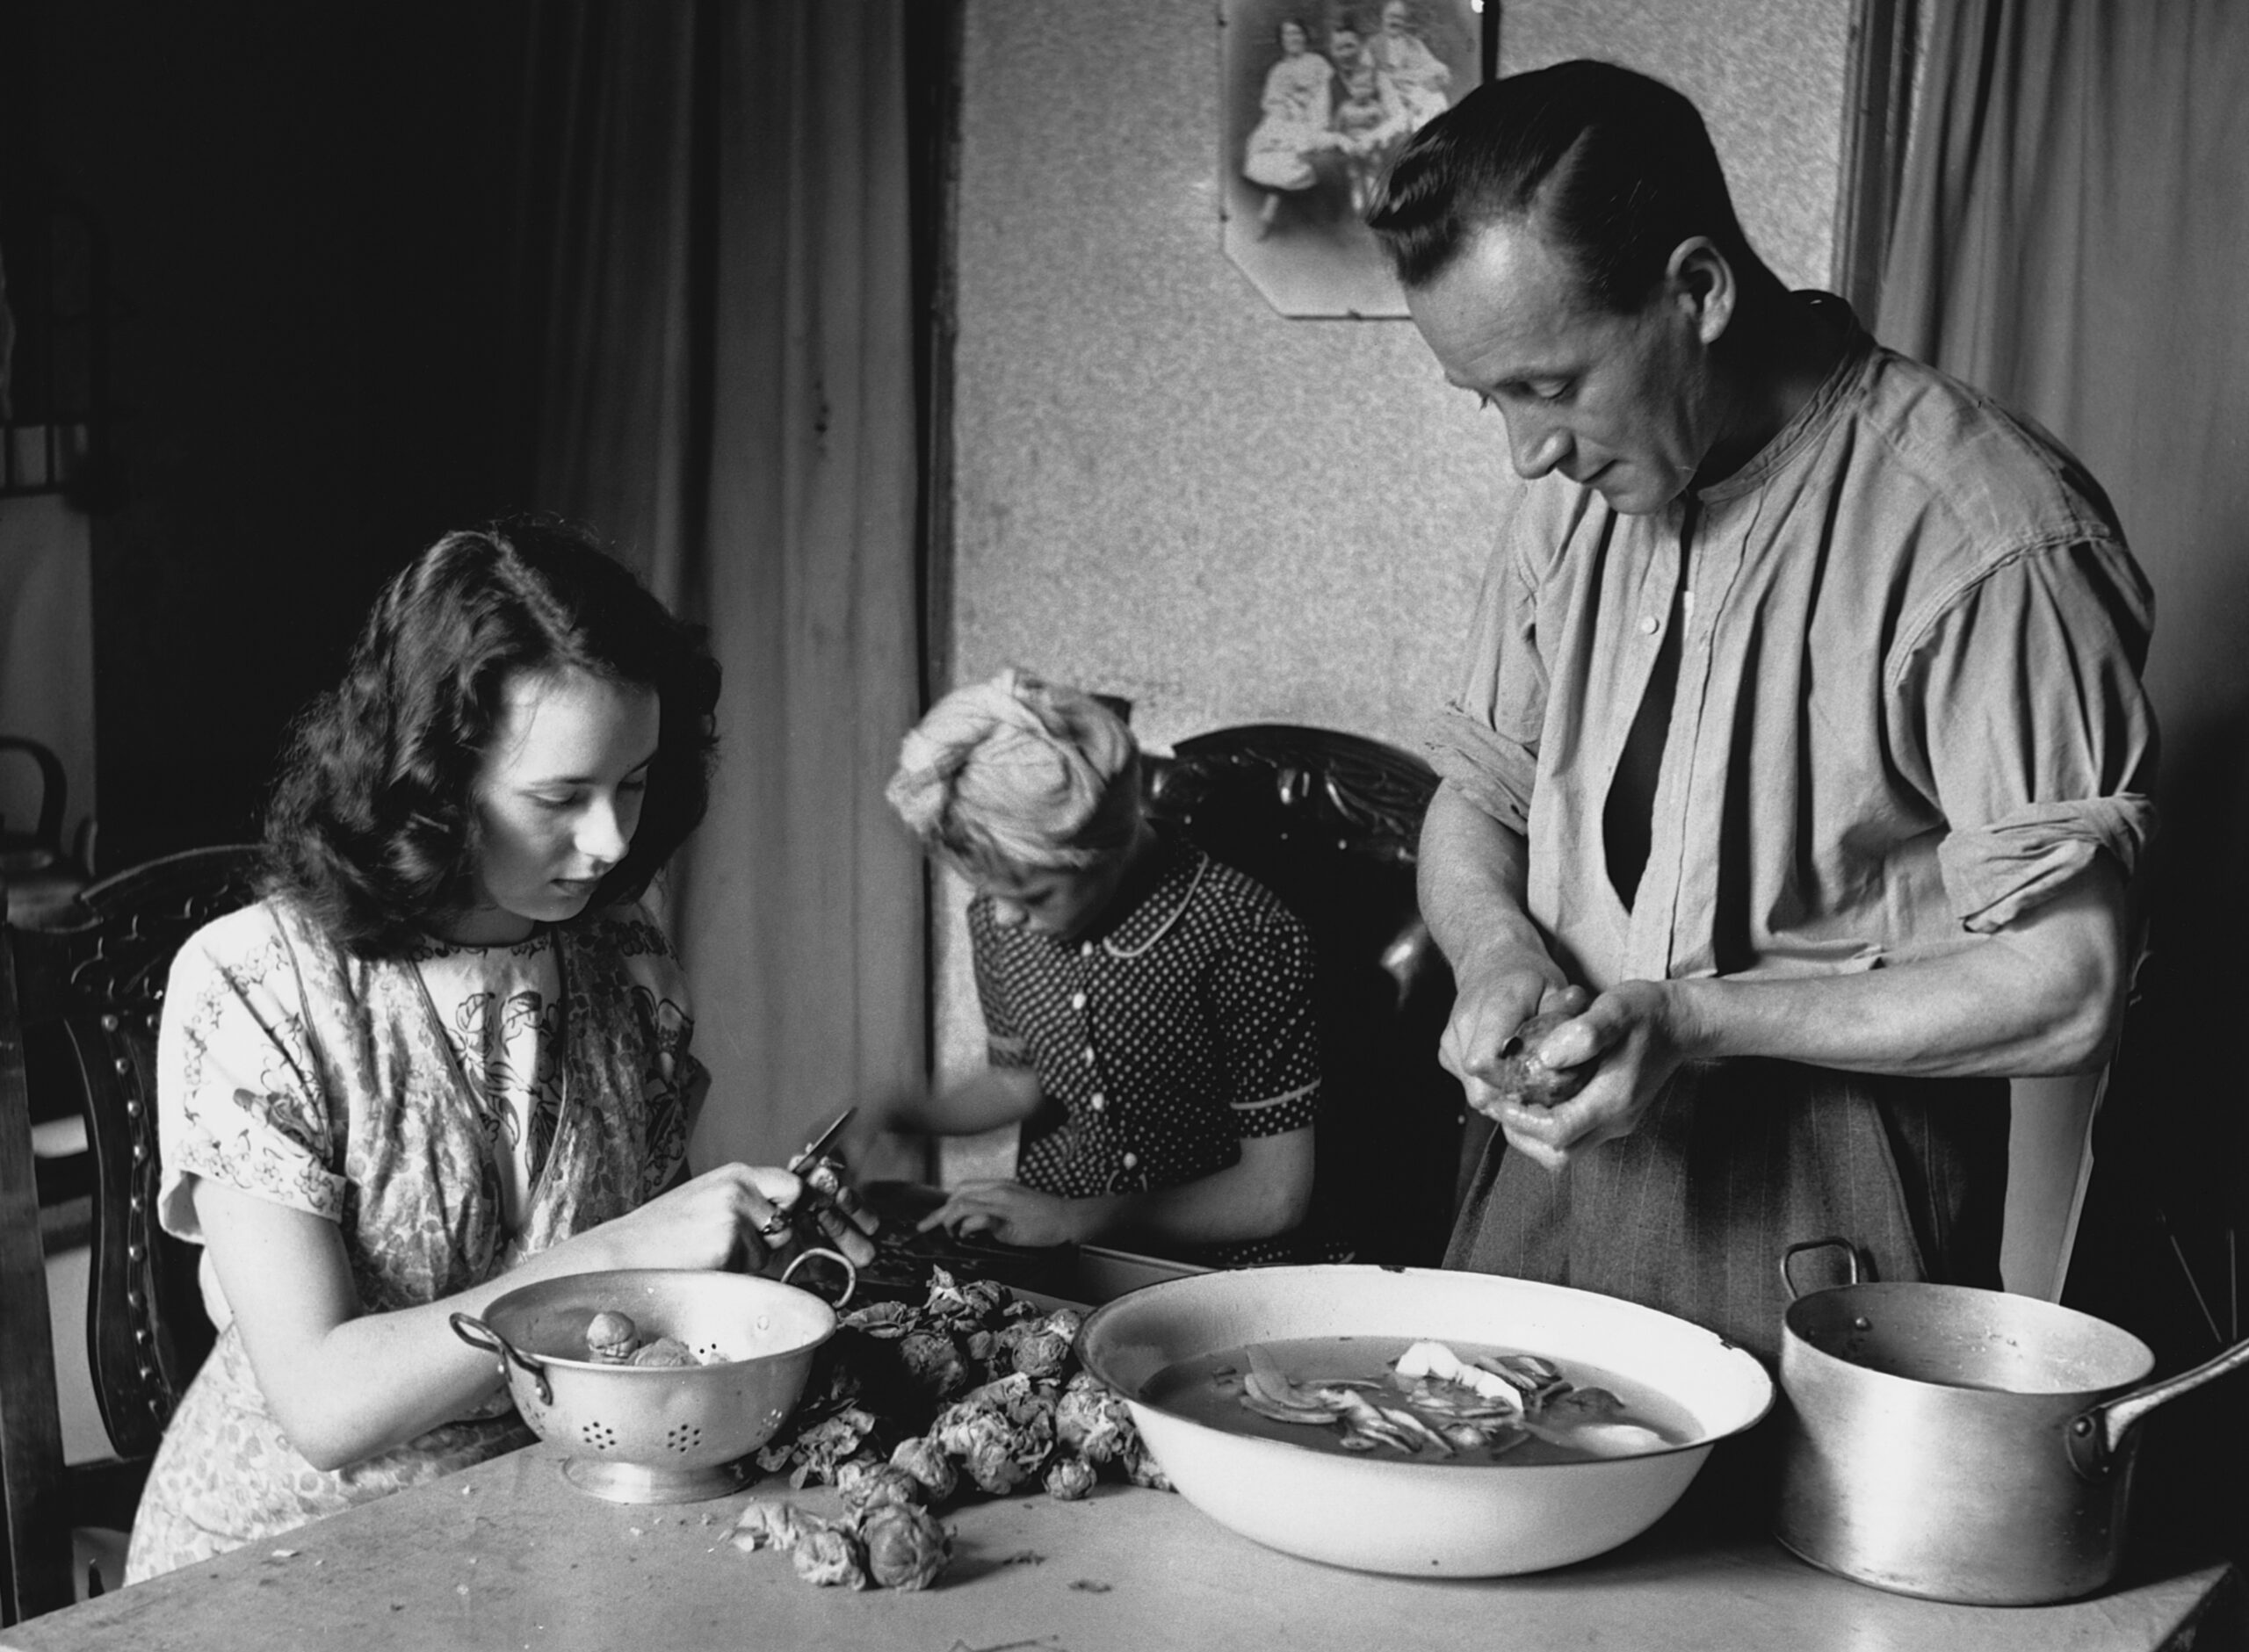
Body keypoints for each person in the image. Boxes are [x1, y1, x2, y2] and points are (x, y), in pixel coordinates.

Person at [1364, 61, 2157, 1360]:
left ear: (1699, 291)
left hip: (1824, 1233)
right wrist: (1498, 950)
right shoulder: (1574, 495)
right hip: (1537, 1201)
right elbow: (1480, 798)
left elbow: (2068, 987)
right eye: (1489, 398)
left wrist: (1693, 1020)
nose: (1525, 452)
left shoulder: (1988, 539)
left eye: (1552, 386)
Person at [125, 521, 876, 1581]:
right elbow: (328, 1408)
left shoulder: (623, 954)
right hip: (286, 1564)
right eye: (560, 799)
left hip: (553, 1521)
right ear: (433, 779)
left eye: (636, 781)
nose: (613, 841)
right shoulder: (257, 982)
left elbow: (626, 1326)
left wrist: (745, 1244)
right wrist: (628, 1248)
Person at [864, 668, 1327, 1266]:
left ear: (1106, 850)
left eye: (1033, 897)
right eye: (987, 889)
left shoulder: (1247, 934)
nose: (1002, 917)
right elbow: (1018, 1082)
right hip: (1056, 1255)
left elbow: (1275, 1195)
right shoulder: (999, 917)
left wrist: (1073, 1218)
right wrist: (901, 1110)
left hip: (1209, 1275)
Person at [1242, 17, 1337, 239]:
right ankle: (1270, 209)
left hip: (1314, 117)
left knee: (1293, 150)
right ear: (1281, 40)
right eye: (1287, 34)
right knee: (1267, 142)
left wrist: (1310, 110)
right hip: (1286, 118)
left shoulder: (1318, 62)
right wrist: (1285, 108)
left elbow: (1328, 94)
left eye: (1297, 33)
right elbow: (1271, 102)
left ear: (1305, 37)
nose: (1293, 38)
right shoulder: (1278, 70)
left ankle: (1269, 211)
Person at [1366, 0, 1453, 131]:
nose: (1395, 22)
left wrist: (1440, 75)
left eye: (1399, 18)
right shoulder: (1373, 44)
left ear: (1405, 22)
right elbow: (1366, 72)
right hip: (1387, 92)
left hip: (1414, 90)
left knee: (1437, 99)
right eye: (1391, 16)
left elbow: (1433, 65)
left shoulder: (1414, 43)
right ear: (1382, 18)